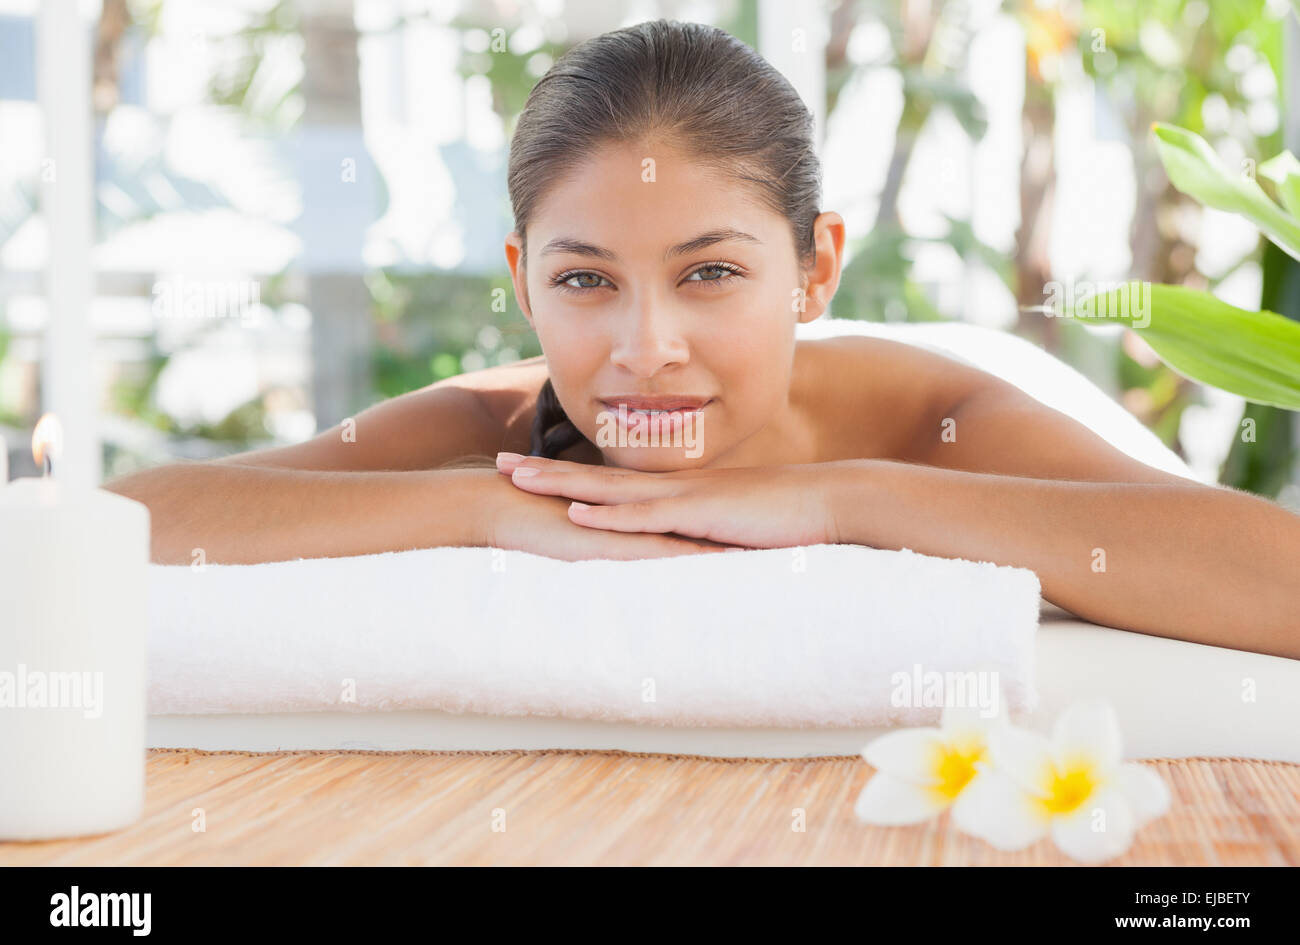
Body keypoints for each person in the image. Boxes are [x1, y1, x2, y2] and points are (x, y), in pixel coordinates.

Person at [107, 20, 1300, 658]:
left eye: (711, 273)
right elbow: (120, 527)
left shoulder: (941, 416)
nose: (646, 348)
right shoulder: (498, 427)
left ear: (815, 266)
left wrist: (837, 499)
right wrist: (486, 506)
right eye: (586, 280)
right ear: (525, 282)